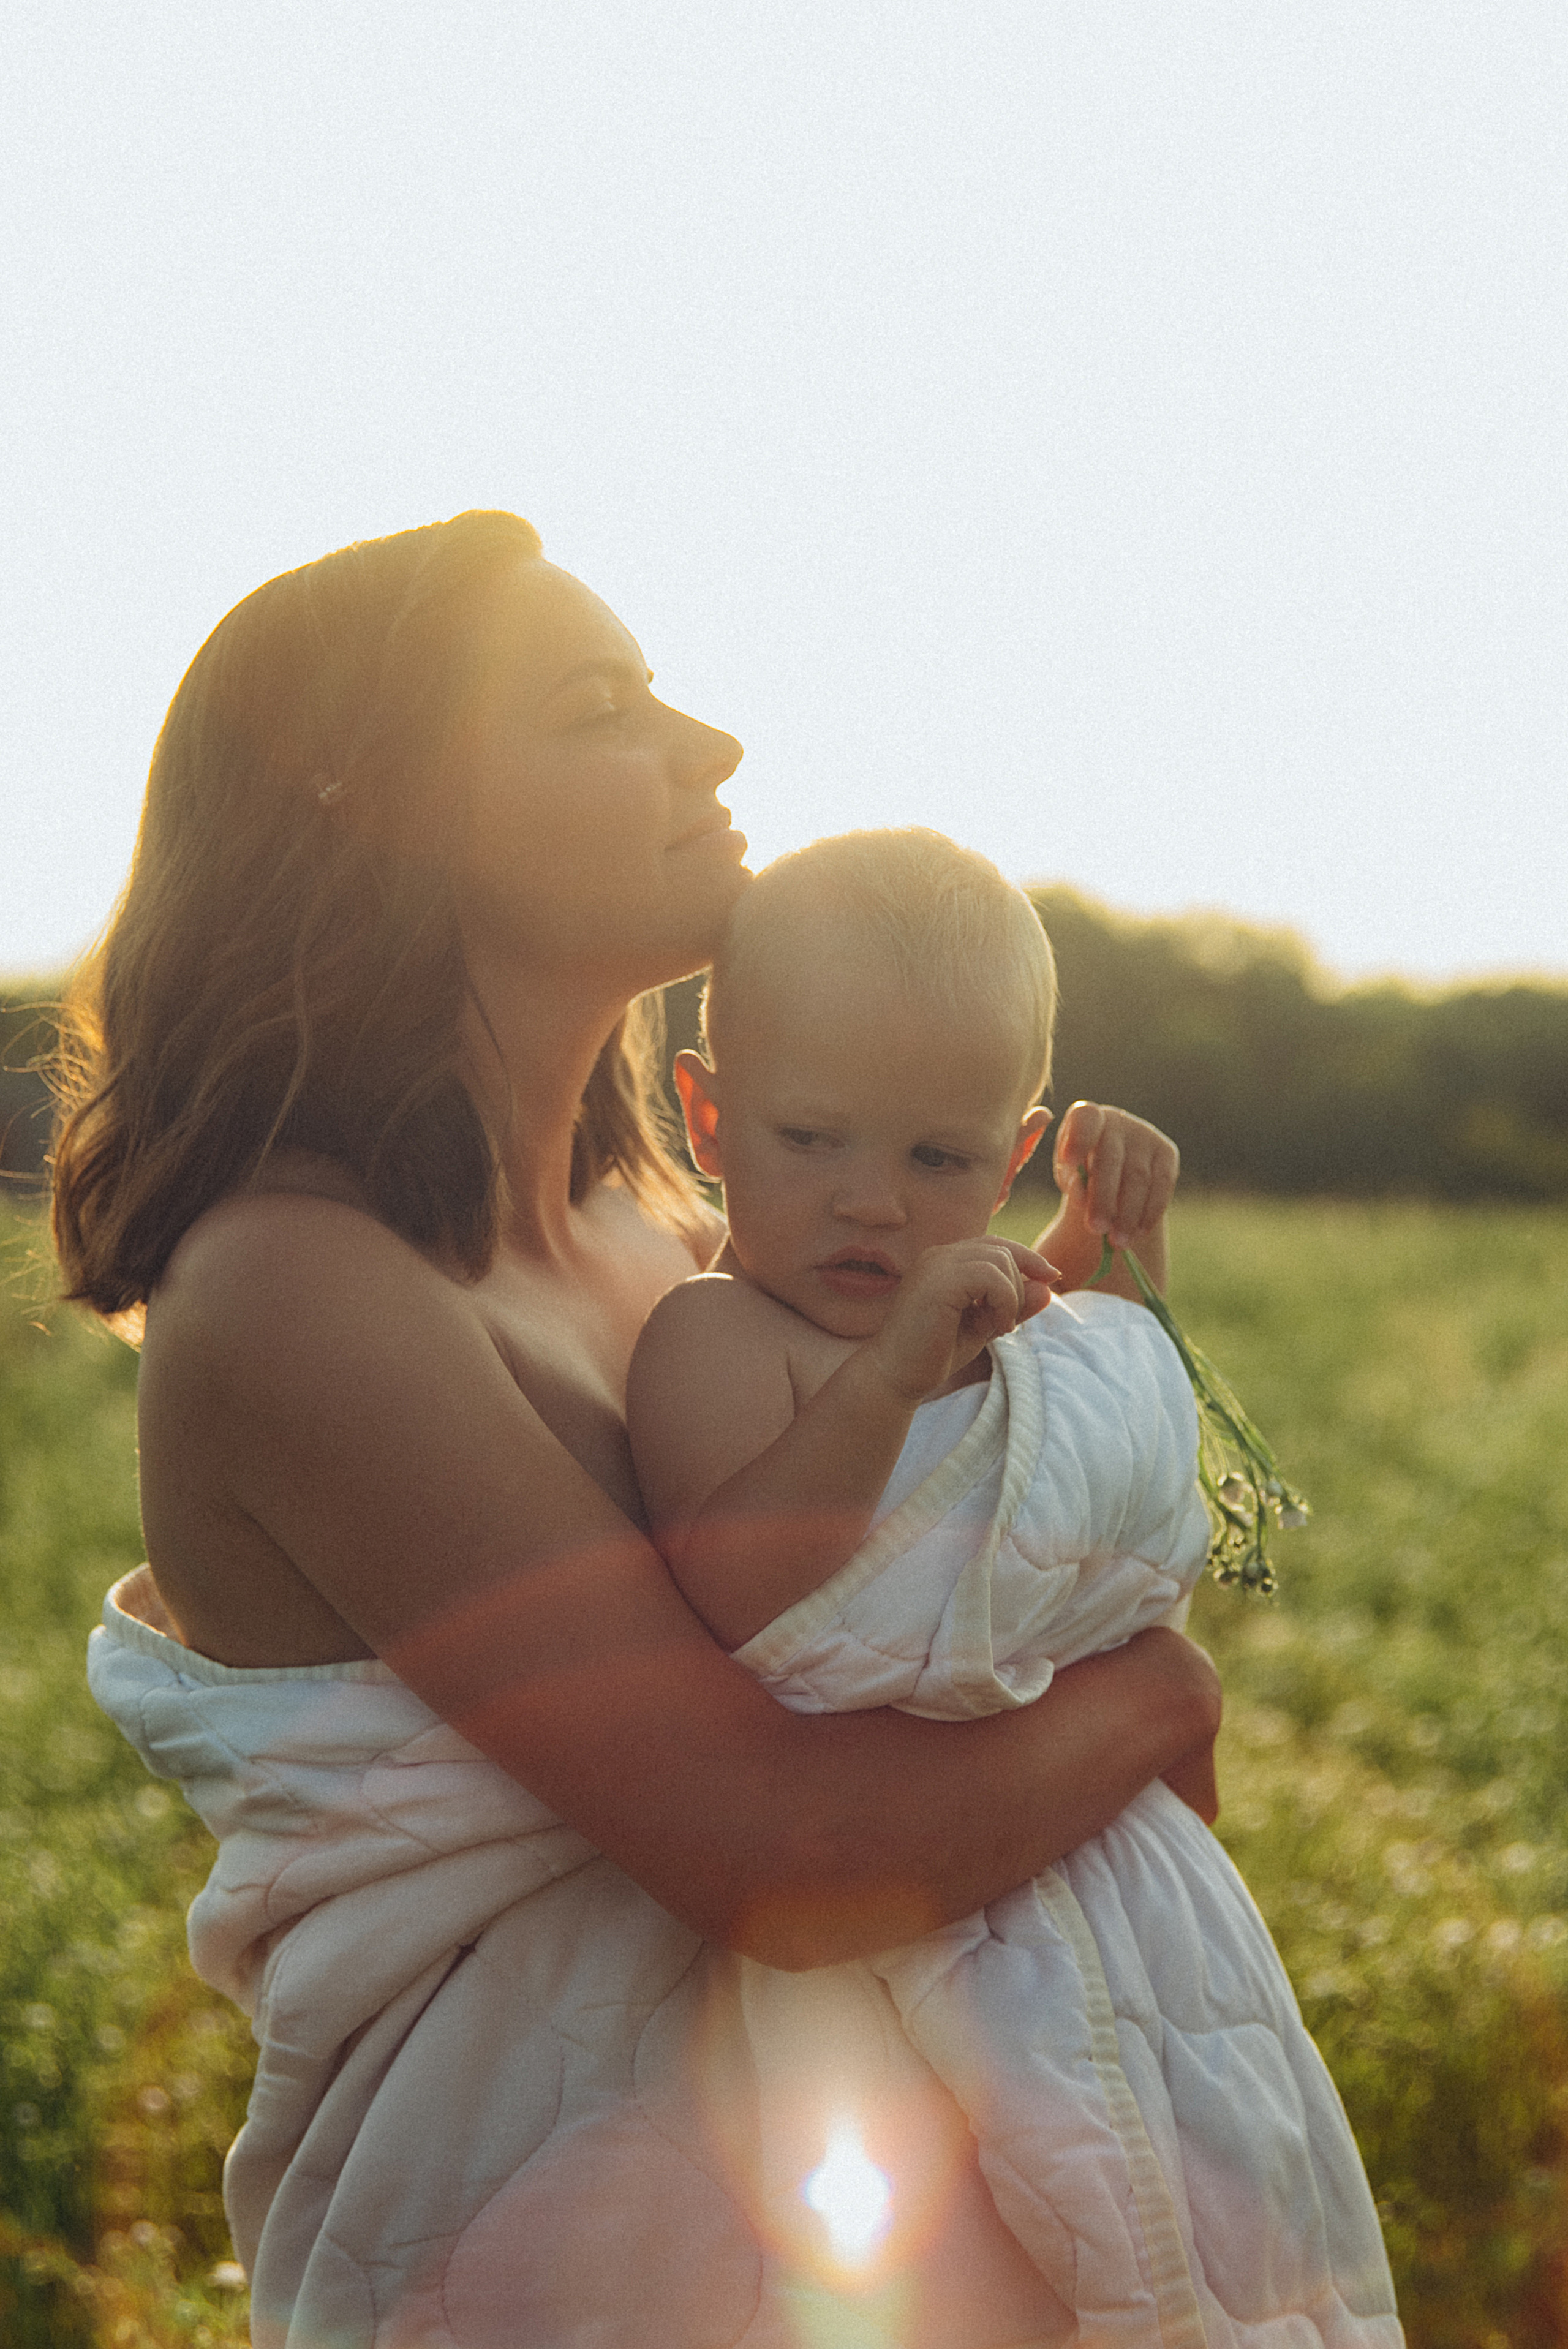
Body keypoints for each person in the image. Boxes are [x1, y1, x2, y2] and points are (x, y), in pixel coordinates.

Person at [64, 508, 1223, 2349]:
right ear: (375, 795)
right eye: (603, 704)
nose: (712, 749)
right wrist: (1161, 1701)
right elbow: (777, 1858)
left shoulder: (669, 1245)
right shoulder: (301, 1284)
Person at [627, 828, 1403, 2345]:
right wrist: (897, 1363)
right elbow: (741, 1584)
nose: (872, 1204)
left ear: (1013, 1146)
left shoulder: (961, 1300)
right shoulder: (715, 1336)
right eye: (811, 1141)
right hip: (895, 1909)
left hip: (1096, 1863)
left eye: (936, 1161)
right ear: (708, 1117)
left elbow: (1044, 1430)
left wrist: (1104, 1246)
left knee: (1213, 2223)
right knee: (981, 2269)